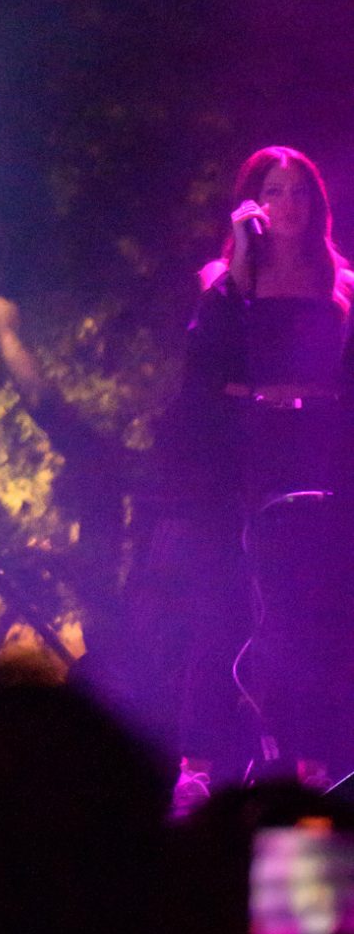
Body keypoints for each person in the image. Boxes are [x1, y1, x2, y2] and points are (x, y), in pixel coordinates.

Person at [153, 147, 354, 783]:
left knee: (310, 613)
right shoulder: (226, 281)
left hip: (317, 451)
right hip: (246, 450)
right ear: (252, 203)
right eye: (273, 190)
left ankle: (311, 768)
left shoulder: (342, 283)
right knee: (228, 604)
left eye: (299, 191)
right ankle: (203, 767)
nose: (288, 203)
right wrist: (241, 258)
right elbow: (203, 366)